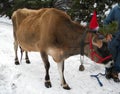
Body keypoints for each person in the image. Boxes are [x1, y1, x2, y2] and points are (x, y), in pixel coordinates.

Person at [103, 3, 120, 82]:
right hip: (113, 38)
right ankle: (108, 70)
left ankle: (115, 72)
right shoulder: (116, 9)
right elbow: (106, 22)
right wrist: (107, 33)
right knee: (111, 54)